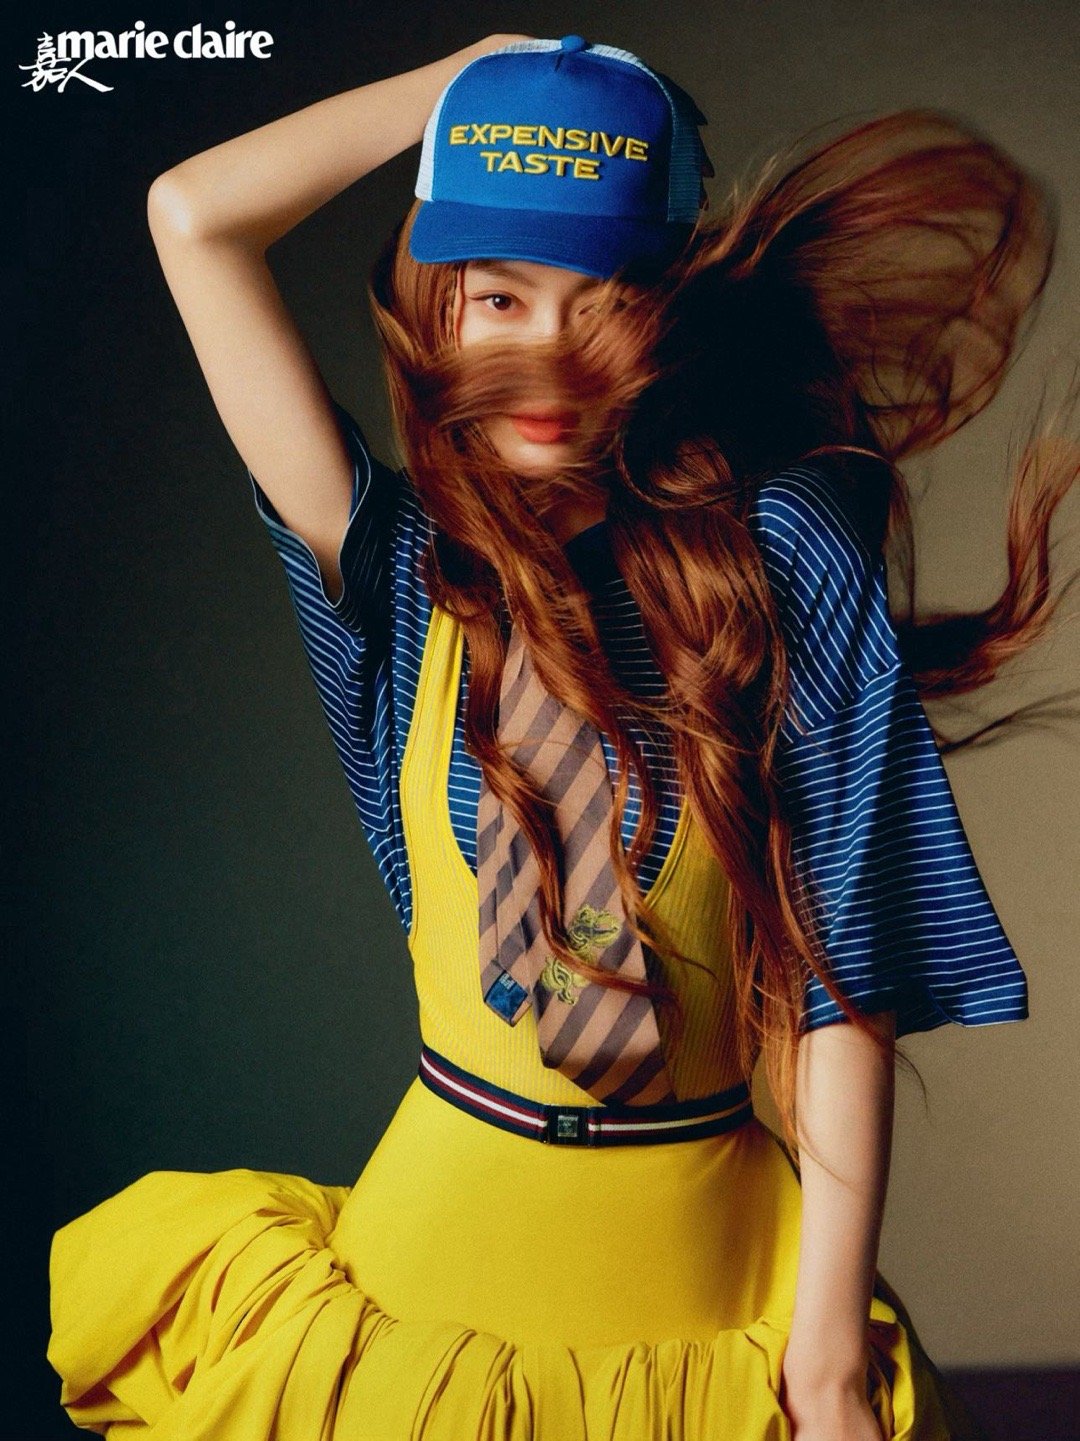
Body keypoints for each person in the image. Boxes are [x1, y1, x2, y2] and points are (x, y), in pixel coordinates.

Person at [47, 32, 1075, 1441]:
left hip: (705, 1303)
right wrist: (470, 80)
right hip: (426, 1289)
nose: (546, 357)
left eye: (605, 302)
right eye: (498, 297)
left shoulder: (784, 559)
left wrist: (829, 1350)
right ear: (437, 309)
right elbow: (193, 218)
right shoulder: (394, 564)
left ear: (670, 312)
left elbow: (844, 975)